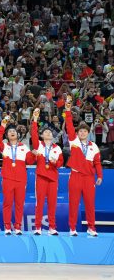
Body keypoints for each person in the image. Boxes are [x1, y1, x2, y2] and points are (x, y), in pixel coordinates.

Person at [65, 102, 103, 237]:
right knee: (74, 204)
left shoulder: (94, 146)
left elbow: (97, 163)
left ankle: (91, 228)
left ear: (88, 133)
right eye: (80, 131)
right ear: (77, 133)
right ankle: (72, 228)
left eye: (84, 131)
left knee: (90, 204)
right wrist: (68, 111)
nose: (82, 132)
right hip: (75, 177)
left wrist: (99, 176)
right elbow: (69, 126)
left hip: (88, 178)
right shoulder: (73, 142)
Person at [0, 117, 36, 235]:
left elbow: (30, 161)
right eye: (9, 132)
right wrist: (3, 126)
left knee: (19, 204)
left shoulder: (24, 147)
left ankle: (18, 226)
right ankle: (7, 227)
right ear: (7, 136)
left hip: (21, 180)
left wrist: (33, 154)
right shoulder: (4, 146)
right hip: (7, 179)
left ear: (18, 134)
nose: (12, 132)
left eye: (14, 131)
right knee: (7, 203)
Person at [31, 108, 64, 236]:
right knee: (39, 203)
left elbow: (61, 163)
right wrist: (34, 120)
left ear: (53, 135)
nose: (48, 133)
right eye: (45, 132)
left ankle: (52, 227)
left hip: (53, 178)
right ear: (42, 135)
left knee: (52, 204)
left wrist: (55, 162)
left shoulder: (58, 148)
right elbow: (33, 134)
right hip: (41, 177)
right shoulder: (38, 145)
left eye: (50, 132)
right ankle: (38, 227)